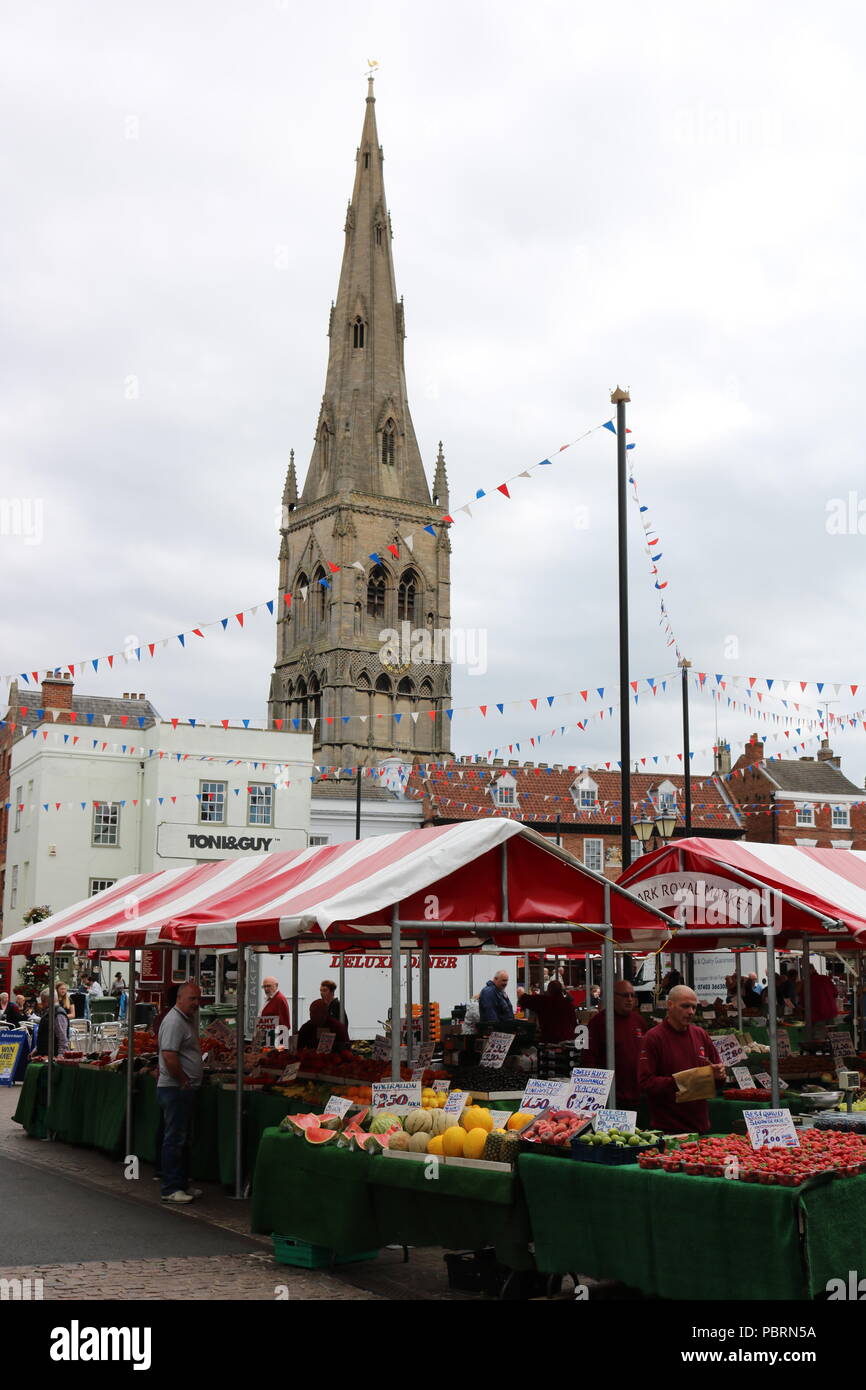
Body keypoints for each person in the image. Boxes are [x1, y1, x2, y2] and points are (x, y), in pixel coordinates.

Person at [638, 985, 725, 1133]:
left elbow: (717, 1076)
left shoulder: (701, 1034)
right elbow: (645, 1083)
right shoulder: (653, 1038)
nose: (690, 1012)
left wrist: (719, 1075)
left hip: (700, 1126)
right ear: (670, 1005)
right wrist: (681, 1081)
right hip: (668, 1129)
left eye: (693, 1007)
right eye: (685, 1006)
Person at [157, 981, 204, 1204]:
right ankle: (170, 1188)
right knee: (174, 1139)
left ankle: (182, 1183)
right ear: (179, 998)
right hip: (175, 1089)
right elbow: (169, 1056)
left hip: (182, 1089)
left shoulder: (187, 1020)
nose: (196, 1003)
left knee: (182, 1139)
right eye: (192, 998)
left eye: (198, 998)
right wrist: (184, 1081)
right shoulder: (174, 1021)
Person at [583, 979, 645, 1107]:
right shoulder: (598, 1022)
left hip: (637, 1095)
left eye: (632, 995)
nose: (629, 999)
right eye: (625, 995)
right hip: (610, 1098)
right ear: (613, 997)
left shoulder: (639, 1021)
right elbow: (588, 1059)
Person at [516, 979, 576, 1043]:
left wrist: (521, 993)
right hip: (569, 1039)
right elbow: (574, 1022)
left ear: (549, 990)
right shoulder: (568, 1004)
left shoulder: (544, 1001)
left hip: (551, 1039)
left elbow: (525, 999)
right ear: (561, 990)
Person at [36, 989, 69, 1057]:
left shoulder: (59, 1013)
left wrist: (61, 1055)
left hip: (54, 1055)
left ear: (48, 1000)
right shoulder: (49, 1011)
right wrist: (36, 1050)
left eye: (42, 1000)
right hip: (45, 1054)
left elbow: (62, 1037)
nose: (41, 1003)